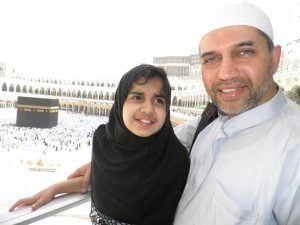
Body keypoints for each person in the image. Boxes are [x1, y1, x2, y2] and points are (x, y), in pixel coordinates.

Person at [66, 1, 300, 225]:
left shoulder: (293, 150)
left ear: (275, 57)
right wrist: (110, 159)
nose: (226, 73)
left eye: (245, 52)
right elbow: (161, 139)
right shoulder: (209, 124)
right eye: (211, 59)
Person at [9, 64, 190, 225]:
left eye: (159, 100)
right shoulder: (104, 141)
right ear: (120, 102)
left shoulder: (176, 160)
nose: (149, 109)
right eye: (137, 97)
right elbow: (106, 179)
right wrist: (55, 189)